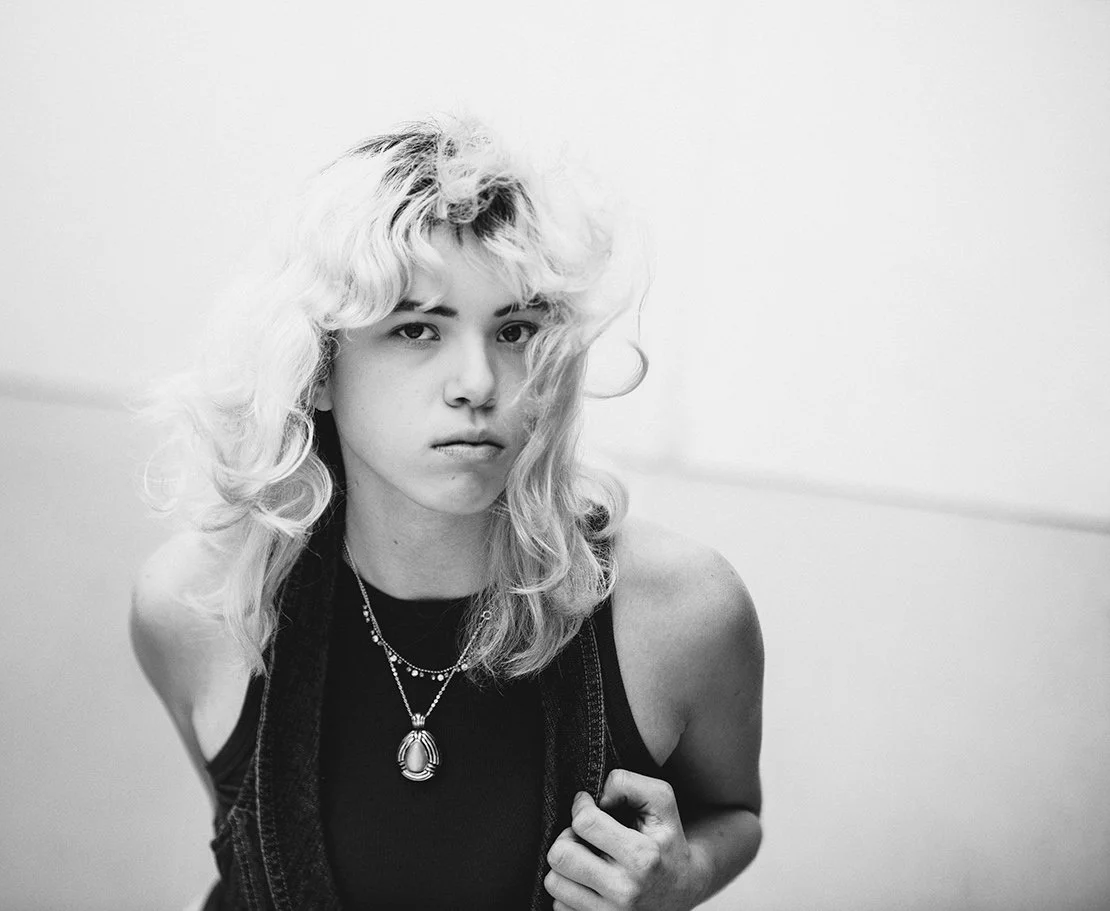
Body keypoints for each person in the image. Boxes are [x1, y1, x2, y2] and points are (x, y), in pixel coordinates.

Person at [131, 114, 763, 911]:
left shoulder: (684, 607)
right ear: (319, 368)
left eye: (515, 328)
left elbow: (735, 812)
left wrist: (687, 876)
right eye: (416, 328)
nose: (478, 380)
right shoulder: (196, 604)